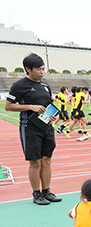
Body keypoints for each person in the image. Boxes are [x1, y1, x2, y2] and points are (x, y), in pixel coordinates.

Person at [4, 53, 62, 205]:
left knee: (47, 160)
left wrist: (54, 115)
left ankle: (47, 192)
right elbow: (8, 106)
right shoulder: (19, 85)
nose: (42, 72)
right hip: (29, 128)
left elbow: (50, 103)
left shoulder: (45, 85)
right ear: (28, 69)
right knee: (35, 162)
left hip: (47, 127)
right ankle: (37, 194)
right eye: (39, 69)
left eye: (43, 69)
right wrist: (31, 107)